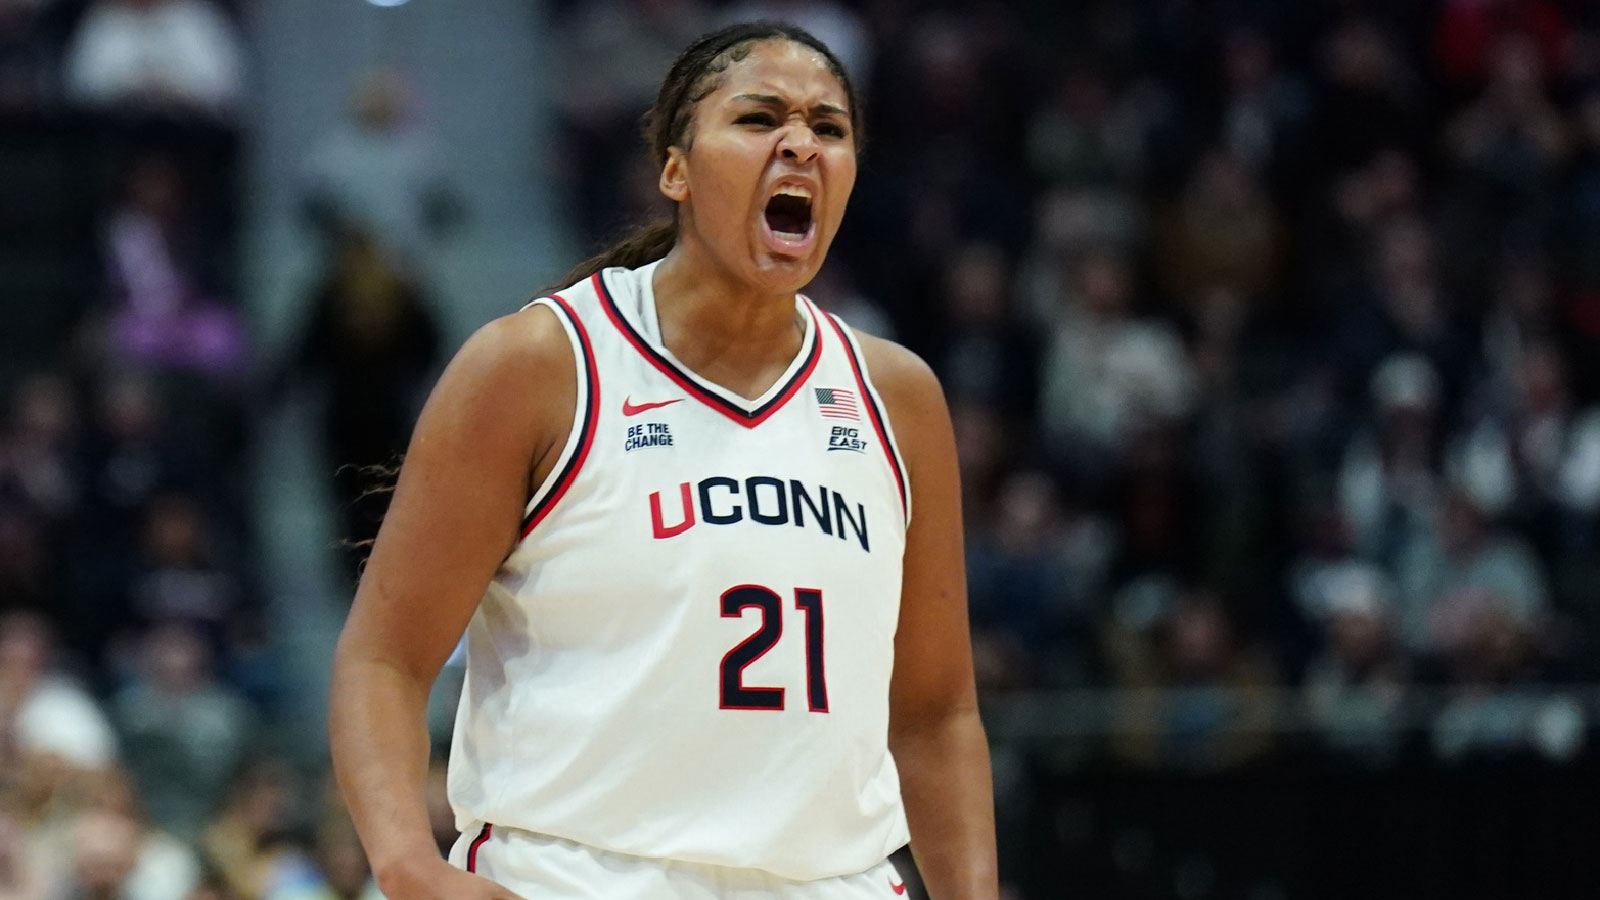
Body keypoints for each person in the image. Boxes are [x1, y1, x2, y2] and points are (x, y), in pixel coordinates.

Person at [328, 21, 997, 900]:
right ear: (675, 171)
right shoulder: (540, 365)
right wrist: (409, 865)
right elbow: (383, 658)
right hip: (572, 876)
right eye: (759, 118)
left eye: (829, 128)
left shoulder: (895, 396)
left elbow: (936, 713)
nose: (800, 142)